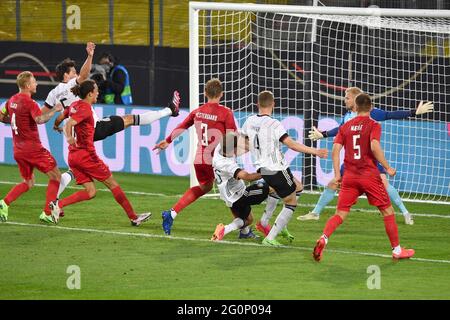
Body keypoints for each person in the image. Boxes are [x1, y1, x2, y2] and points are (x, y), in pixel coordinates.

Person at [49, 44, 180, 204]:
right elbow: (83, 76)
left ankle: (53, 203)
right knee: (131, 119)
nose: (76, 74)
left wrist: (56, 125)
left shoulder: (55, 93)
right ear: (66, 75)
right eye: (73, 72)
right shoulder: (71, 86)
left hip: (81, 134)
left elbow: (51, 115)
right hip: (93, 128)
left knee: (74, 170)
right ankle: (169, 110)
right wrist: (90, 56)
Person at [298, 87, 434, 225]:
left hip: (368, 159)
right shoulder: (347, 115)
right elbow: (340, 129)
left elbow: (390, 114)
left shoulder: (372, 113)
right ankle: (315, 213)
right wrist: (324, 134)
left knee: (384, 183)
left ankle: (405, 213)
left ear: (356, 99)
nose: (345, 100)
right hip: (353, 161)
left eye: (347, 97)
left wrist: (414, 112)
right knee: (333, 184)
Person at [313, 93, 415, 261]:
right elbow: (374, 146)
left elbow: (336, 151)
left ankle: (324, 238)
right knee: (387, 211)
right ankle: (397, 250)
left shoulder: (345, 126)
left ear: (357, 107)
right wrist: (388, 167)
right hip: (369, 175)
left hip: (349, 177)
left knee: (340, 213)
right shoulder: (373, 125)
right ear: (371, 107)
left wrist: (338, 175)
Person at [49, 80, 151, 227]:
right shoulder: (85, 108)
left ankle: (58, 204)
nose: (98, 93)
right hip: (86, 156)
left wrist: (55, 126)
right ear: (90, 94)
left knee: (91, 192)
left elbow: (60, 118)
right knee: (112, 184)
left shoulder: (74, 106)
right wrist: (69, 137)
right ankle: (134, 217)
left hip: (73, 157)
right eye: (96, 91)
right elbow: (69, 124)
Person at [240, 90, 328, 246]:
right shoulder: (274, 124)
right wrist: (316, 152)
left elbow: (244, 142)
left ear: (257, 104)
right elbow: (291, 144)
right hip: (276, 168)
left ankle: (272, 223)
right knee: (291, 202)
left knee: (297, 187)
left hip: (263, 168)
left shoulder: (249, 121)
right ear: (273, 104)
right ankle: (271, 236)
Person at [153, 78, 237, 235]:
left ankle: (171, 213)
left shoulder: (197, 112)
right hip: (218, 161)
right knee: (231, 191)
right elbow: (232, 138)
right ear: (222, 94)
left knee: (205, 187)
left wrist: (168, 140)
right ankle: (244, 228)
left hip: (200, 159)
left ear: (205, 93)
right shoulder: (226, 113)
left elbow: (182, 126)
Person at [0, 71, 62, 223]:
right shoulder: (30, 103)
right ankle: (47, 213)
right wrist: (55, 110)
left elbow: (1, 116)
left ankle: (4, 203)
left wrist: (16, 122)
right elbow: (40, 119)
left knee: (28, 182)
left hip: (18, 150)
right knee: (56, 176)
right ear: (28, 85)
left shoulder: (11, 100)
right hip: (32, 148)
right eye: (34, 81)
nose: (37, 84)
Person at [211, 132, 268, 241]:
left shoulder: (220, 149)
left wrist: (252, 146)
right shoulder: (227, 164)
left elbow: (239, 142)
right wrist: (267, 172)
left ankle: (243, 233)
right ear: (233, 149)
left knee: (247, 218)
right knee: (270, 188)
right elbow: (247, 177)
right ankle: (226, 229)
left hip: (229, 196)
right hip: (238, 196)